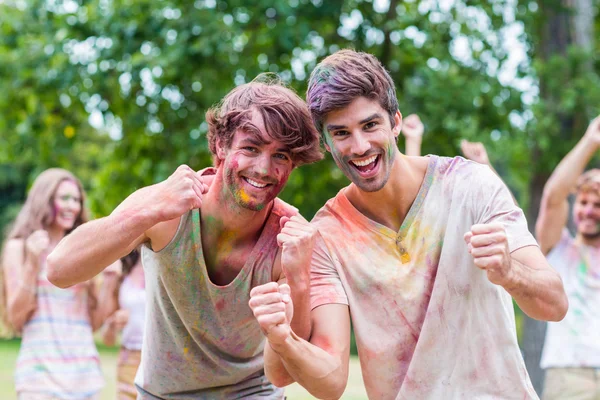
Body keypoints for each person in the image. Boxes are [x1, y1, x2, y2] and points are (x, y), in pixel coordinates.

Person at [248, 49, 568, 399]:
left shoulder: (471, 186)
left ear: (395, 122)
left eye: (370, 125)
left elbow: (554, 305)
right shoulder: (327, 234)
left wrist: (510, 271)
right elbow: (331, 380)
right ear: (326, 142)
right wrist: (282, 334)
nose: (360, 146)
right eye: (341, 133)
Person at [46, 77, 323, 398]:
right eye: (251, 147)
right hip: (161, 394)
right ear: (221, 145)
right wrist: (147, 212)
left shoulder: (287, 239)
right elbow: (59, 269)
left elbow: (287, 371)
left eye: (281, 156)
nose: (263, 168)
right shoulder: (167, 207)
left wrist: (299, 279)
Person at [1, 168, 119, 399]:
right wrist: (32, 264)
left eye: (76, 199)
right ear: (44, 199)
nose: (72, 206)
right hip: (39, 378)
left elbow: (93, 324)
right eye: (64, 198)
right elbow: (16, 319)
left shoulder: (83, 252)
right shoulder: (20, 248)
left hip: (85, 377)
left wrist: (109, 282)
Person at [536, 116, 600, 400]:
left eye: (598, 205)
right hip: (570, 375)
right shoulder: (559, 248)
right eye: (584, 202)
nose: (588, 211)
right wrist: (591, 141)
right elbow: (553, 197)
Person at [102, 249, 145, 400]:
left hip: (160, 359)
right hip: (128, 358)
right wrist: (114, 323)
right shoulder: (123, 270)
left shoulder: (170, 266)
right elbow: (107, 338)